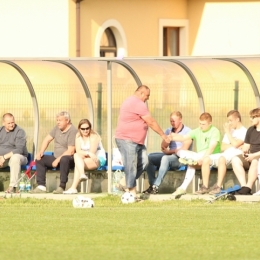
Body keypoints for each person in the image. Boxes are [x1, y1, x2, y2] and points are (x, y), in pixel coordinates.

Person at [115, 85, 171, 199]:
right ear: (141, 93)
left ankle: (124, 182)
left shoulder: (134, 102)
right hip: (127, 140)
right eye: (147, 95)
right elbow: (150, 121)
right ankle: (132, 193)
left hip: (137, 142)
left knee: (145, 161)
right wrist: (163, 136)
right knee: (131, 165)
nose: (148, 98)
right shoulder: (137, 103)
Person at [170, 112, 221, 198]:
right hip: (199, 156)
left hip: (212, 157)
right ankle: (190, 161)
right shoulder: (197, 130)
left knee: (192, 164)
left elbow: (211, 148)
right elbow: (183, 138)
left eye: (203, 124)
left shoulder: (215, 131)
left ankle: (183, 187)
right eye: (200, 123)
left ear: (210, 123)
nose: (201, 126)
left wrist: (203, 158)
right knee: (180, 152)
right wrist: (170, 137)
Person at [143, 111, 192, 194]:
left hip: (181, 158)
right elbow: (163, 147)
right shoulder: (169, 130)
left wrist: (169, 151)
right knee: (149, 158)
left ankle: (155, 185)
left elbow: (184, 149)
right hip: (170, 155)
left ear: (180, 120)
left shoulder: (188, 131)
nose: (172, 123)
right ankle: (153, 185)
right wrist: (168, 139)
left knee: (165, 158)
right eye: (171, 121)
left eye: (174, 121)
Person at [31, 111, 78, 194]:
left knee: (64, 159)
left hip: (69, 159)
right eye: (57, 120)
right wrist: (41, 151)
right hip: (56, 157)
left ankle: (61, 187)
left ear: (67, 121)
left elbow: (71, 151)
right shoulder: (57, 128)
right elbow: (47, 139)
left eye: (60, 120)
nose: (58, 122)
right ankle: (41, 186)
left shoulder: (73, 131)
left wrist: (57, 160)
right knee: (40, 159)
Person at [202, 110, 247, 194]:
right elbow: (223, 147)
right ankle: (205, 187)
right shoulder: (230, 131)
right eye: (228, 121)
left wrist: (228, 134)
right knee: (206, 159)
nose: (229, 123)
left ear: (237, 119)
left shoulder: (244, 131)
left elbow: (236, 144)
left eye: (231, 120)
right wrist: (233, 144)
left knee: (222, 158)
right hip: (226, 154)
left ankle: (218, 186)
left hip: (235, 155)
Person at [63, 119, 106, 194]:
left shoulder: (94, 136)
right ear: (79, 129)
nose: (85, 130)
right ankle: (81, 175)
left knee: (78, 163)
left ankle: (74, 187)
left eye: (87, 128)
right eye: (83, 129)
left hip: (98, 159)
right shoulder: (78, 137)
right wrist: (88, 153)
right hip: (85, 159)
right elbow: (79, 151)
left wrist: (87, 154)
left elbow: (93, 153)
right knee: (76, 156)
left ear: (90, 128)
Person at [231, 108, 260, 195]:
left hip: (257, 157)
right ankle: (243, 186)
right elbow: (246, 145)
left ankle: (248, 187)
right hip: (250, 156)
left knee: (255, 160)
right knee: (235, 159)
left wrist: (253, 155)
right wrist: (245, 152)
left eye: (252, 117)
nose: (250, 119)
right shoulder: (251, 130)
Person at [0, 113, 28, 193]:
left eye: (13, 122)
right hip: (2, 159)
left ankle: (13, 186)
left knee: (15, 158)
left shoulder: (20, 131)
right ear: (3, 123)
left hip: (20, 157)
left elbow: (19, 149)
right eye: (9, 123)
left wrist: (4, 157)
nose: (11, 125)